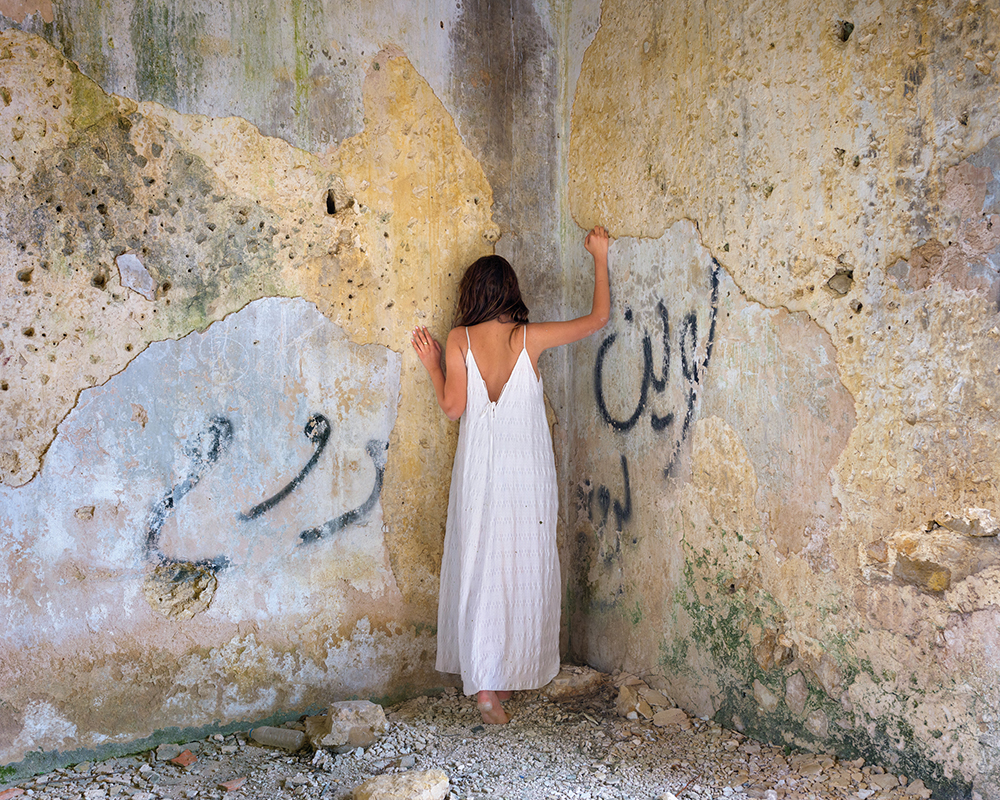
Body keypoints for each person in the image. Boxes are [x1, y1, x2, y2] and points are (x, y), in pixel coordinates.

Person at [411, 226, 611, 724]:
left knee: (480, 564)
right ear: (511, 292)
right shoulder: (529, 337)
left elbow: (453, 408)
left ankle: (487, 686)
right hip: (528, 473)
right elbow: (598, 319)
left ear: (471, 294)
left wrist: (434, 365)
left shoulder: (459, 339)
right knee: (520, 566)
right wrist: (599, 256)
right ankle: (502, 676)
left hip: (479, 473)